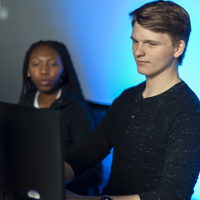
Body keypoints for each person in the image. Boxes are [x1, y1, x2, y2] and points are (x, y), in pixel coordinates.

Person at [64, 1, 200, 200]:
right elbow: (86, 154)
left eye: (151, 43)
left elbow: (173, 195)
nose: (138, 52)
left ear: (178, 48)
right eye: (135, 41)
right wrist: (46, 179)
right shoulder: (127, 98)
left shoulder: (187, 111)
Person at [18, 40, 103, 195]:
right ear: (28, 70)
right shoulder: (24, 103)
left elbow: (95, 174)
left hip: (62, 192)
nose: (44, 71)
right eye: (36, 64)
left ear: (64, 70)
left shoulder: (76, 109)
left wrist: (55, 185)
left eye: (53, 64)